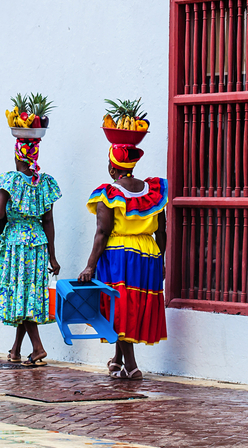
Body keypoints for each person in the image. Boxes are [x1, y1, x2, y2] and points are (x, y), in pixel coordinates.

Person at [78, 144, 167, 380]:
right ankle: (117, 360)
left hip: (119, 254)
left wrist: (90, 265)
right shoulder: (154, 191)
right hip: (149, 253)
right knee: (132, 305)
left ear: (111, 167)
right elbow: (163, 230)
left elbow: (102, 231)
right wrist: (162, 260)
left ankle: (131, 365)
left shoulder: (108, 193)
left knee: (119, 308)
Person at [0, 138, 61, 367]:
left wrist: (12, 211)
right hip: (38, 243)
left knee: (21, 293)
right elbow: (48, 221)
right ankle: (16, 349)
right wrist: (52, 256)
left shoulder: (10, 180)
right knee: (27, 294)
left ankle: (38, 348)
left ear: (17, 155)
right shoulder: (44, 183)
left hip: (17, 244)